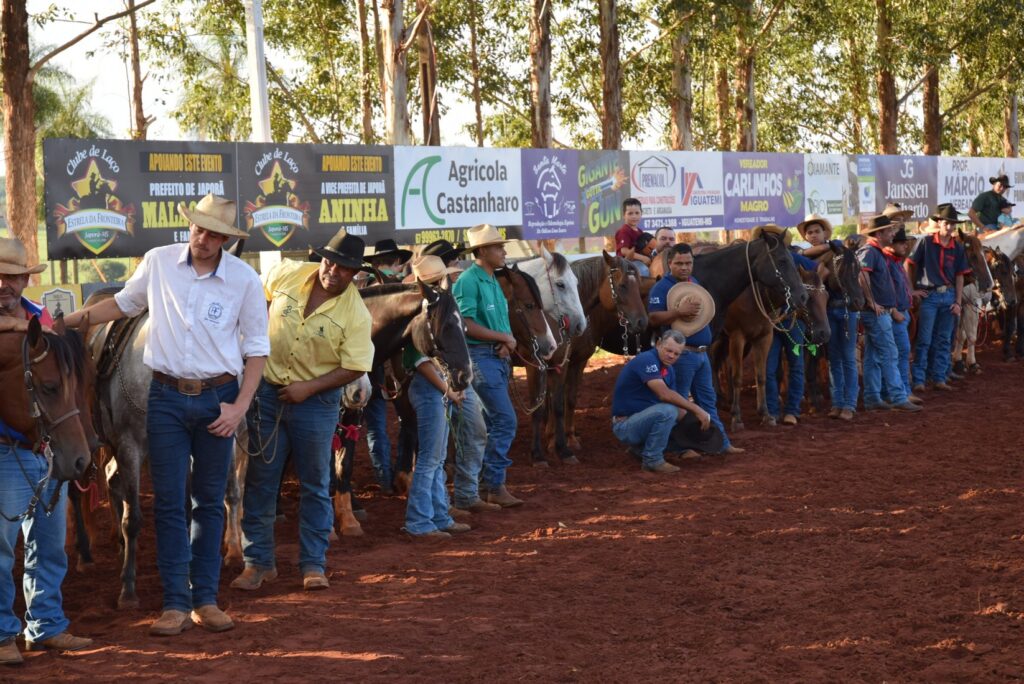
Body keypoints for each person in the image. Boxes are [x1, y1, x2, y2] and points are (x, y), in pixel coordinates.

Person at [65, 194, 270, 636]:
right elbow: (122, 304)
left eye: (213, 233)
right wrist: (72, 321)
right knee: (170, 502)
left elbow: (256, 350)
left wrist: (240, 407)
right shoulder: (157, 262)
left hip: (220, 398)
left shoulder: (244, 279)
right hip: (166, 397)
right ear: (189, 226)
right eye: (198, 228)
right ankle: (175, 603)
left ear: (225, 239)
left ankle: (207, 599)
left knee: (210, 502)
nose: (203, 237)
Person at [232, 230, 373, 593]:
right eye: (329, 262)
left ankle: (313, 564)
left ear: (355, 273)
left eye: (344, 268)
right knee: (261, 482)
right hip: (268, 392)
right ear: (321, 258)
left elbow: (356, 365)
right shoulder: (287, 273)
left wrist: (307, 388)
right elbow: (255, 296)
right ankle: (258, 562)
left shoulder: (356, 312)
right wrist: (256, 339)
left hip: (316, 402)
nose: (333, 271)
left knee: (315, 485)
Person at [0, 238, 92, 665]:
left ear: (24, 279)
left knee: (48, 544)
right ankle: (3, 635)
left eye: (12, 275)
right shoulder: (31, 323)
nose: (5, 284)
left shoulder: (39, 316)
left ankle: (46, 625)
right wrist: (18, 329)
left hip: (42, 447)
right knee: (3, 549)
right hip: (5, 450)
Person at [400, 255, 474, 540]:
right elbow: (421, 363)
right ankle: (420, 520)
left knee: (436, 457)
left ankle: (438, 515)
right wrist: (449, 391)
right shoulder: (424, 319)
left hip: (435, 391)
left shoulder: (431, 312)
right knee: (431, 458)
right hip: (430, 390)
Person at [452, 224, 523, 507]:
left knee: (494, 422)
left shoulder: (490, 278)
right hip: (481, 357)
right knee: (505, 420)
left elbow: (491, 323)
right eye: (498, 247)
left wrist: (505, 340)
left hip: (493, 357)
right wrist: (504, 338)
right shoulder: (470, 280)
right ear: (482, 251)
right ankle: (493, 483)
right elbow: (465, 325)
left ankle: (483, 485)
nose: (504, 251)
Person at [647, 243, 742, 454]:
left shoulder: (694, 282)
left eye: (688, 263)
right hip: (681, 354)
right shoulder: (661, 287)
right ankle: (680, 448)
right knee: (679, 403)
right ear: (669, 263)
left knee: (708, 400)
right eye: (679, 263)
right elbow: (653, 318)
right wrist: (678, 312)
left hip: (701, 353)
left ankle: (722, 444)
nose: (684, 267)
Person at [610, 330, 711, 474]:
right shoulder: (647, 359)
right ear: (658, 344)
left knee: (677, 412)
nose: (671, 356)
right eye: (668, 350)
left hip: (640, 421)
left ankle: (642, 449)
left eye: (676, 354)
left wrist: (695, 426)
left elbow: (678, 406)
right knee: (668, 411)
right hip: (625, 425)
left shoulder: (669, 370)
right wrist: (698, 410)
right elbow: (664, 395)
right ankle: (652, 460)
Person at [362, 239, 414, 493]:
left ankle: (399, 472)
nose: (395, 267)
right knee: (376, 425)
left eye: (395, 262)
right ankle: (385, 477)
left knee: (401, 420)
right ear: (377, 266)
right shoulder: (372, 296)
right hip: (372, 368)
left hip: (390, 368)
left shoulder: (400, 293)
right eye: (391, 263)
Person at [856, 214, 921, 413]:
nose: (893, 234)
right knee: (889, 353)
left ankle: (873, 397)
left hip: (879, 311)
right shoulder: (870, 251)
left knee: (874, 355)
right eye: (889, 231)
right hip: (877, 312)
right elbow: (862, 274)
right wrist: (871, 302)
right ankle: (897, 396)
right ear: (879, 233)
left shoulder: (875, 252)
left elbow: (864, 275)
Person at [906, 203, 970, 393]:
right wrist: (911, 290)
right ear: (939, 222)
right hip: (930, 295)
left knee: (943, 339)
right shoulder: (925, 242)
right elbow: (908, 264)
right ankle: (920, 378)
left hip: (948, 295)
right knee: (925, 339)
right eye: (946, 223)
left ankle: (939, 377)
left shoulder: (957, 248)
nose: (949, 227)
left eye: (952, 224)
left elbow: (960, 276)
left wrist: (958, 301)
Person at [798, 214, 857, 421]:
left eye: (817, 231)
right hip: (824, 313)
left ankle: (848, 404)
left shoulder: (838, 251)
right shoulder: (803, 256)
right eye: (810, 232)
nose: (814, 235)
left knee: (847, 357)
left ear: (825, 233)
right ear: (805, 236)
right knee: (834, 359)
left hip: (843, 308)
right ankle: (838, 402)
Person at [764, 228, 820, 426]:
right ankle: (772, 410)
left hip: (793, 321)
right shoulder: (760, 264)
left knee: (796, 367)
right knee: (769, 369)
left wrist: (810, 289)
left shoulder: (794, 258)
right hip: (770, 324)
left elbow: (818, 269)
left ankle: (792, 410)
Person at [881, 227, 919, 405]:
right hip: (896, 313)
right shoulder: (888, 262)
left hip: (901, 312)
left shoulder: (895, 261)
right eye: (902, 242)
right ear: (892, 244)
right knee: (901, 351)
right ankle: (901, 390)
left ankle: (896, 390)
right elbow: (885, 289)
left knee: (898, 352)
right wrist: (894, 310)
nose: (906, 245)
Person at [614, 198, 650, 273]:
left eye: (637, 213)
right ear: (624, 215)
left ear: (641, 213)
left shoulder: (639, 231)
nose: (634, 216)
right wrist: (643, 258)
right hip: (626, 263)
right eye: (630, 213)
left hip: (638, 261)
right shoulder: (624, 231)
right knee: (644, 270)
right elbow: (624, 251)